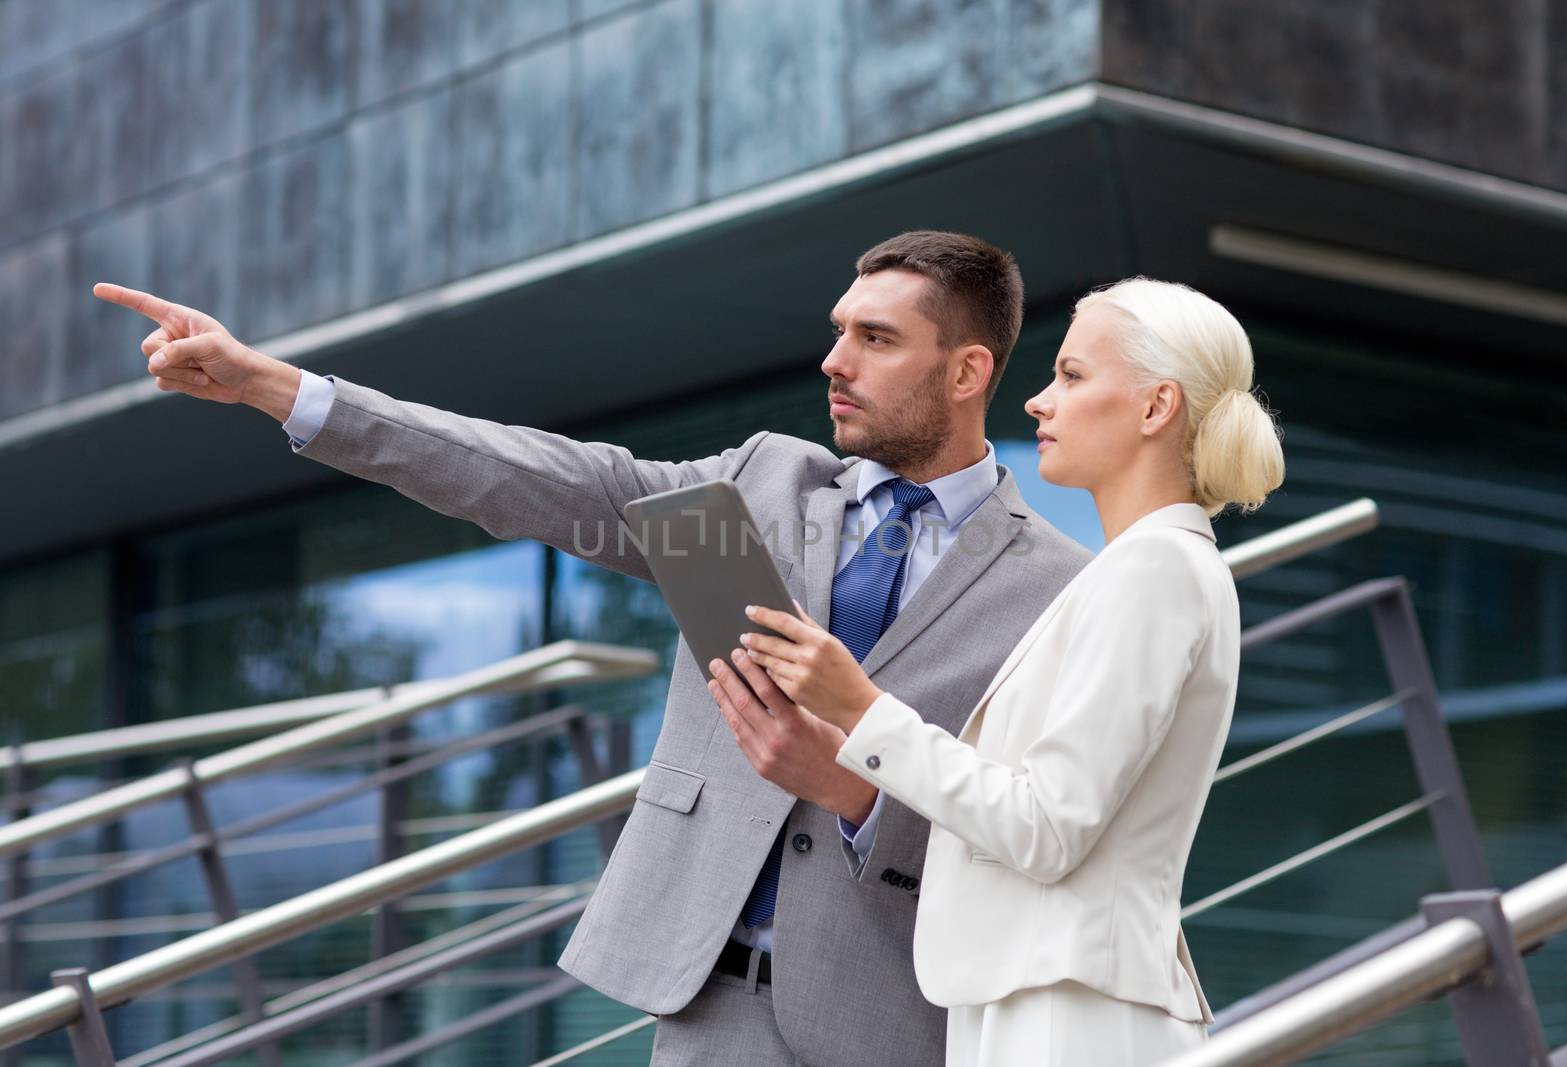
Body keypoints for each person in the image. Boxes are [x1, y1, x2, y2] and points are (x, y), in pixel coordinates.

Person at [92, 231, 1094, 1066]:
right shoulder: (761, 481)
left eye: (875, 338)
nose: (834, 361)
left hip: (895, 1024)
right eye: (838, 332)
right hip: (704, 1011)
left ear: (967, 370)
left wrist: (862, 796)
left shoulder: (1055, 586)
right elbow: (537, 477)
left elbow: (1044, 836)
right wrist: (281, 388)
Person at [707, 277, 1285, 1064]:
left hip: (1069, 1016)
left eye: (1074, 376)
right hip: (1036, 999)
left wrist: (861, 708)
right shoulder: (1137, 571)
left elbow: (1046, 826)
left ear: (1156, 408)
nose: (1038, 403)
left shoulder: (1155, 570)